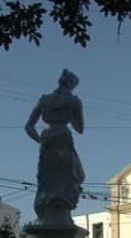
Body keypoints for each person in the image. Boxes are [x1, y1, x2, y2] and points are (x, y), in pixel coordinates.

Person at [25, 69, 85, 225]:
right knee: (75, 175)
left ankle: (47, 213)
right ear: (71, 84)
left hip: (47, 141)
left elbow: (29, 127)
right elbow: (80, 129)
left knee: (47, 179)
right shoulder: (74, 101)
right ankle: (63, 213)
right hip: (64, 138)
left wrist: (40, 141)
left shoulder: (44, 100)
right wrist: (70, 114)